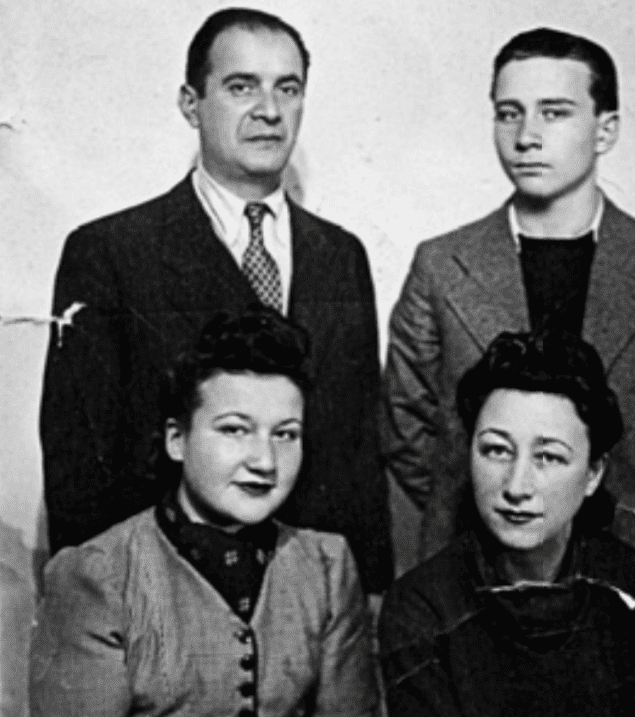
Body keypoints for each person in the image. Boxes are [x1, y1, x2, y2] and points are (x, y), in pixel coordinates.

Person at [40, 7, 392, 594]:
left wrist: (369, 596)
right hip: (163, 601)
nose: (269, 110)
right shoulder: (111, 253)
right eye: (241, 86)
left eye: (288, 88)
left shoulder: (341, 256)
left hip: (310, 602)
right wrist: (101, 608)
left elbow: (357, 459)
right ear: (191, 103)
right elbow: (78, 464)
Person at [380, 27, 635, 576]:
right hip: (476, 571)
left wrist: (630, 505)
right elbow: (407, 426)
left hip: (625, 565)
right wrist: (475, 504)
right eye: (509, 113)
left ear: (605, 129)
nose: (526, 137)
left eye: (554, 113)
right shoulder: (441, 265)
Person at [31, 310, 379, 717]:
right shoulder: (98, 576)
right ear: (177, 440)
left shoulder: (326, 566)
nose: (265, 461)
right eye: (234, 429)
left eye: (285, 434)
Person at [379, 331, 635, 716]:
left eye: (548, 457)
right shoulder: (420, 609)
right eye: (496, 450)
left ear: (593, 474)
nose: (516, 487)